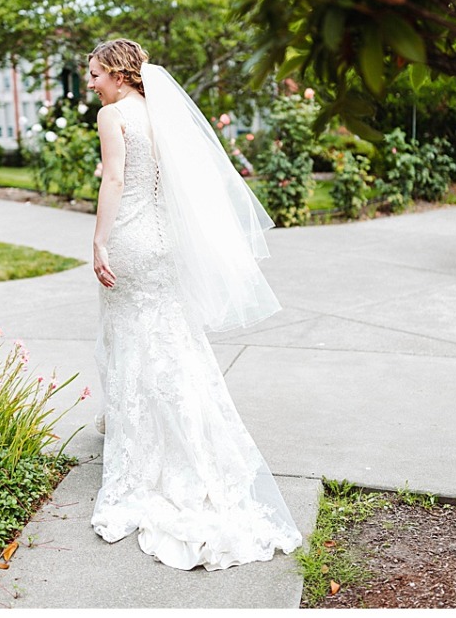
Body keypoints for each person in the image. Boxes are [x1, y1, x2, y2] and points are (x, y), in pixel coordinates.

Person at [85, 38, 302, 571]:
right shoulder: (161, 114)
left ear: (115, 73)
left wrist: (99, 241)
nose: (91, 84)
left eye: (94, 74)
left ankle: (146, 452)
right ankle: (189, 441)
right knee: (171, 337)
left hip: (132, 240)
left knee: (135, 340)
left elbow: (113, 179)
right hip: (165, 243)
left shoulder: (112, 117)